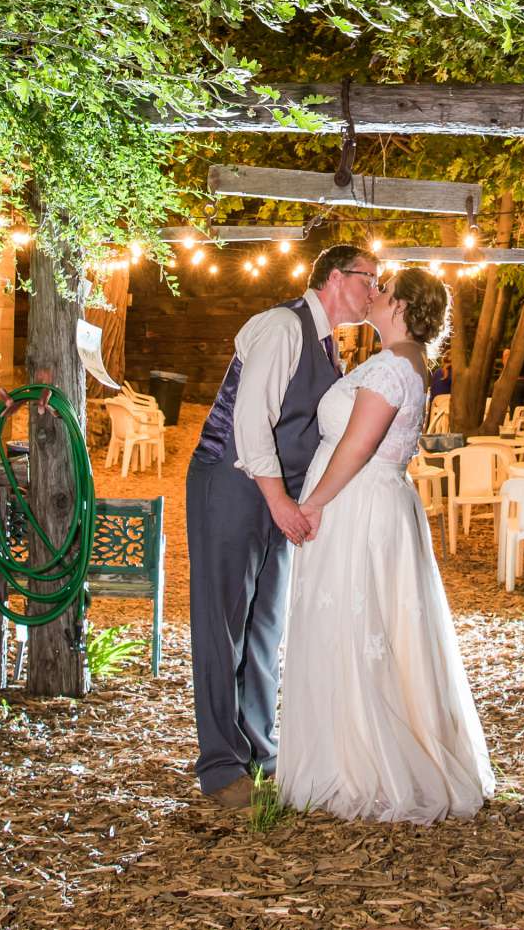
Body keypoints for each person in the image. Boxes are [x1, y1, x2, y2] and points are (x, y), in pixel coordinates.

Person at [277, 267, 494, 822]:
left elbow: (356, 446)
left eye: (385, 290)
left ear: (399, 307)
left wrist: (312, 503)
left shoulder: (393, 366)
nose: (374, 294)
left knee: (356, 628)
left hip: (358, 504)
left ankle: (362, 762)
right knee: (368, 626)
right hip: (374, 502)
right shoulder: (405, 362)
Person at [185, 242, 379, 808]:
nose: (375, 289)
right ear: (338, 277)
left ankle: (261, 751)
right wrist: (278, 501)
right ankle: (220, 767)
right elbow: (251, 422)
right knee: (222, 623)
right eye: (371, 278)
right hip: (230, 482)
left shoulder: (330, 345)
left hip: (277, 497)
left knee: (266, 623)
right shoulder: (281, 327)